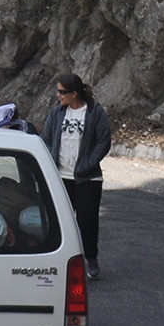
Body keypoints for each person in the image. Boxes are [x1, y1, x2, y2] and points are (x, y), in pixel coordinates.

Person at [40, 73, 111, 279]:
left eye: (62, 92)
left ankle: (91, 257)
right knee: (59, 221)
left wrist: (88, 164)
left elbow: (103, 141)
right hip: (61, 176)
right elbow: (46, 139)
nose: (58, 95)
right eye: (58, 91)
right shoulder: (57, 113)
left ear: (74, 93)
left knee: (87, 220)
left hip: (88, 178)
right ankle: (58, 261)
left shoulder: (94, 112)